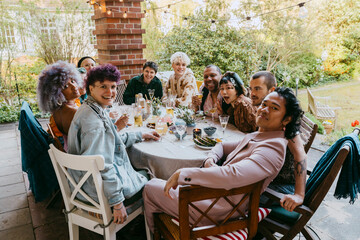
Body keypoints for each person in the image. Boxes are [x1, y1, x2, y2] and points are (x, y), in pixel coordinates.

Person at [143, 87, 303, 232]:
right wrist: (210, 158)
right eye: (264, 104)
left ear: (286, 119)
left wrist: (182, 174)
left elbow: (232, 175)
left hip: (214, 209)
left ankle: (155, 232)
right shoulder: (262, 135)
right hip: (214, 197)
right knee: (165, 180)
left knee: (150, 187)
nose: (264, 110)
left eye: (274, 108)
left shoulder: (272, 149)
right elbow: (223, 146)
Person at [67, 64, 160, 225]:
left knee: (139, 168)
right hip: (95, 191)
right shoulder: (93, 122)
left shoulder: (91, 108)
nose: (110, 92)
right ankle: (147, 227)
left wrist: (140, 134)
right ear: (91, 88)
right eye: (103, 87)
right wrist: (117, 203)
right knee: (152, 176)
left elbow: (110, 140)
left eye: (113, 87)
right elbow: (101, 163)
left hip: (84, 183)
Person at [249, 71, 307, 212]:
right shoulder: (264, 114)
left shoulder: (285, 126)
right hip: (266, 177)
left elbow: (301, 155)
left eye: (257, 89)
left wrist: (299, 195)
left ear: (272, 90)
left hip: (280, 184)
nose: (252, 93)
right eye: (250, 88)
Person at [37, 61, 83, 151]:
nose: (74, 87)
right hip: (81, 157)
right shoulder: (73, 112)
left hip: (69, 152)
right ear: (56, 93)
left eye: (73, 81)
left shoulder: (60, 108)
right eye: (66, 86)